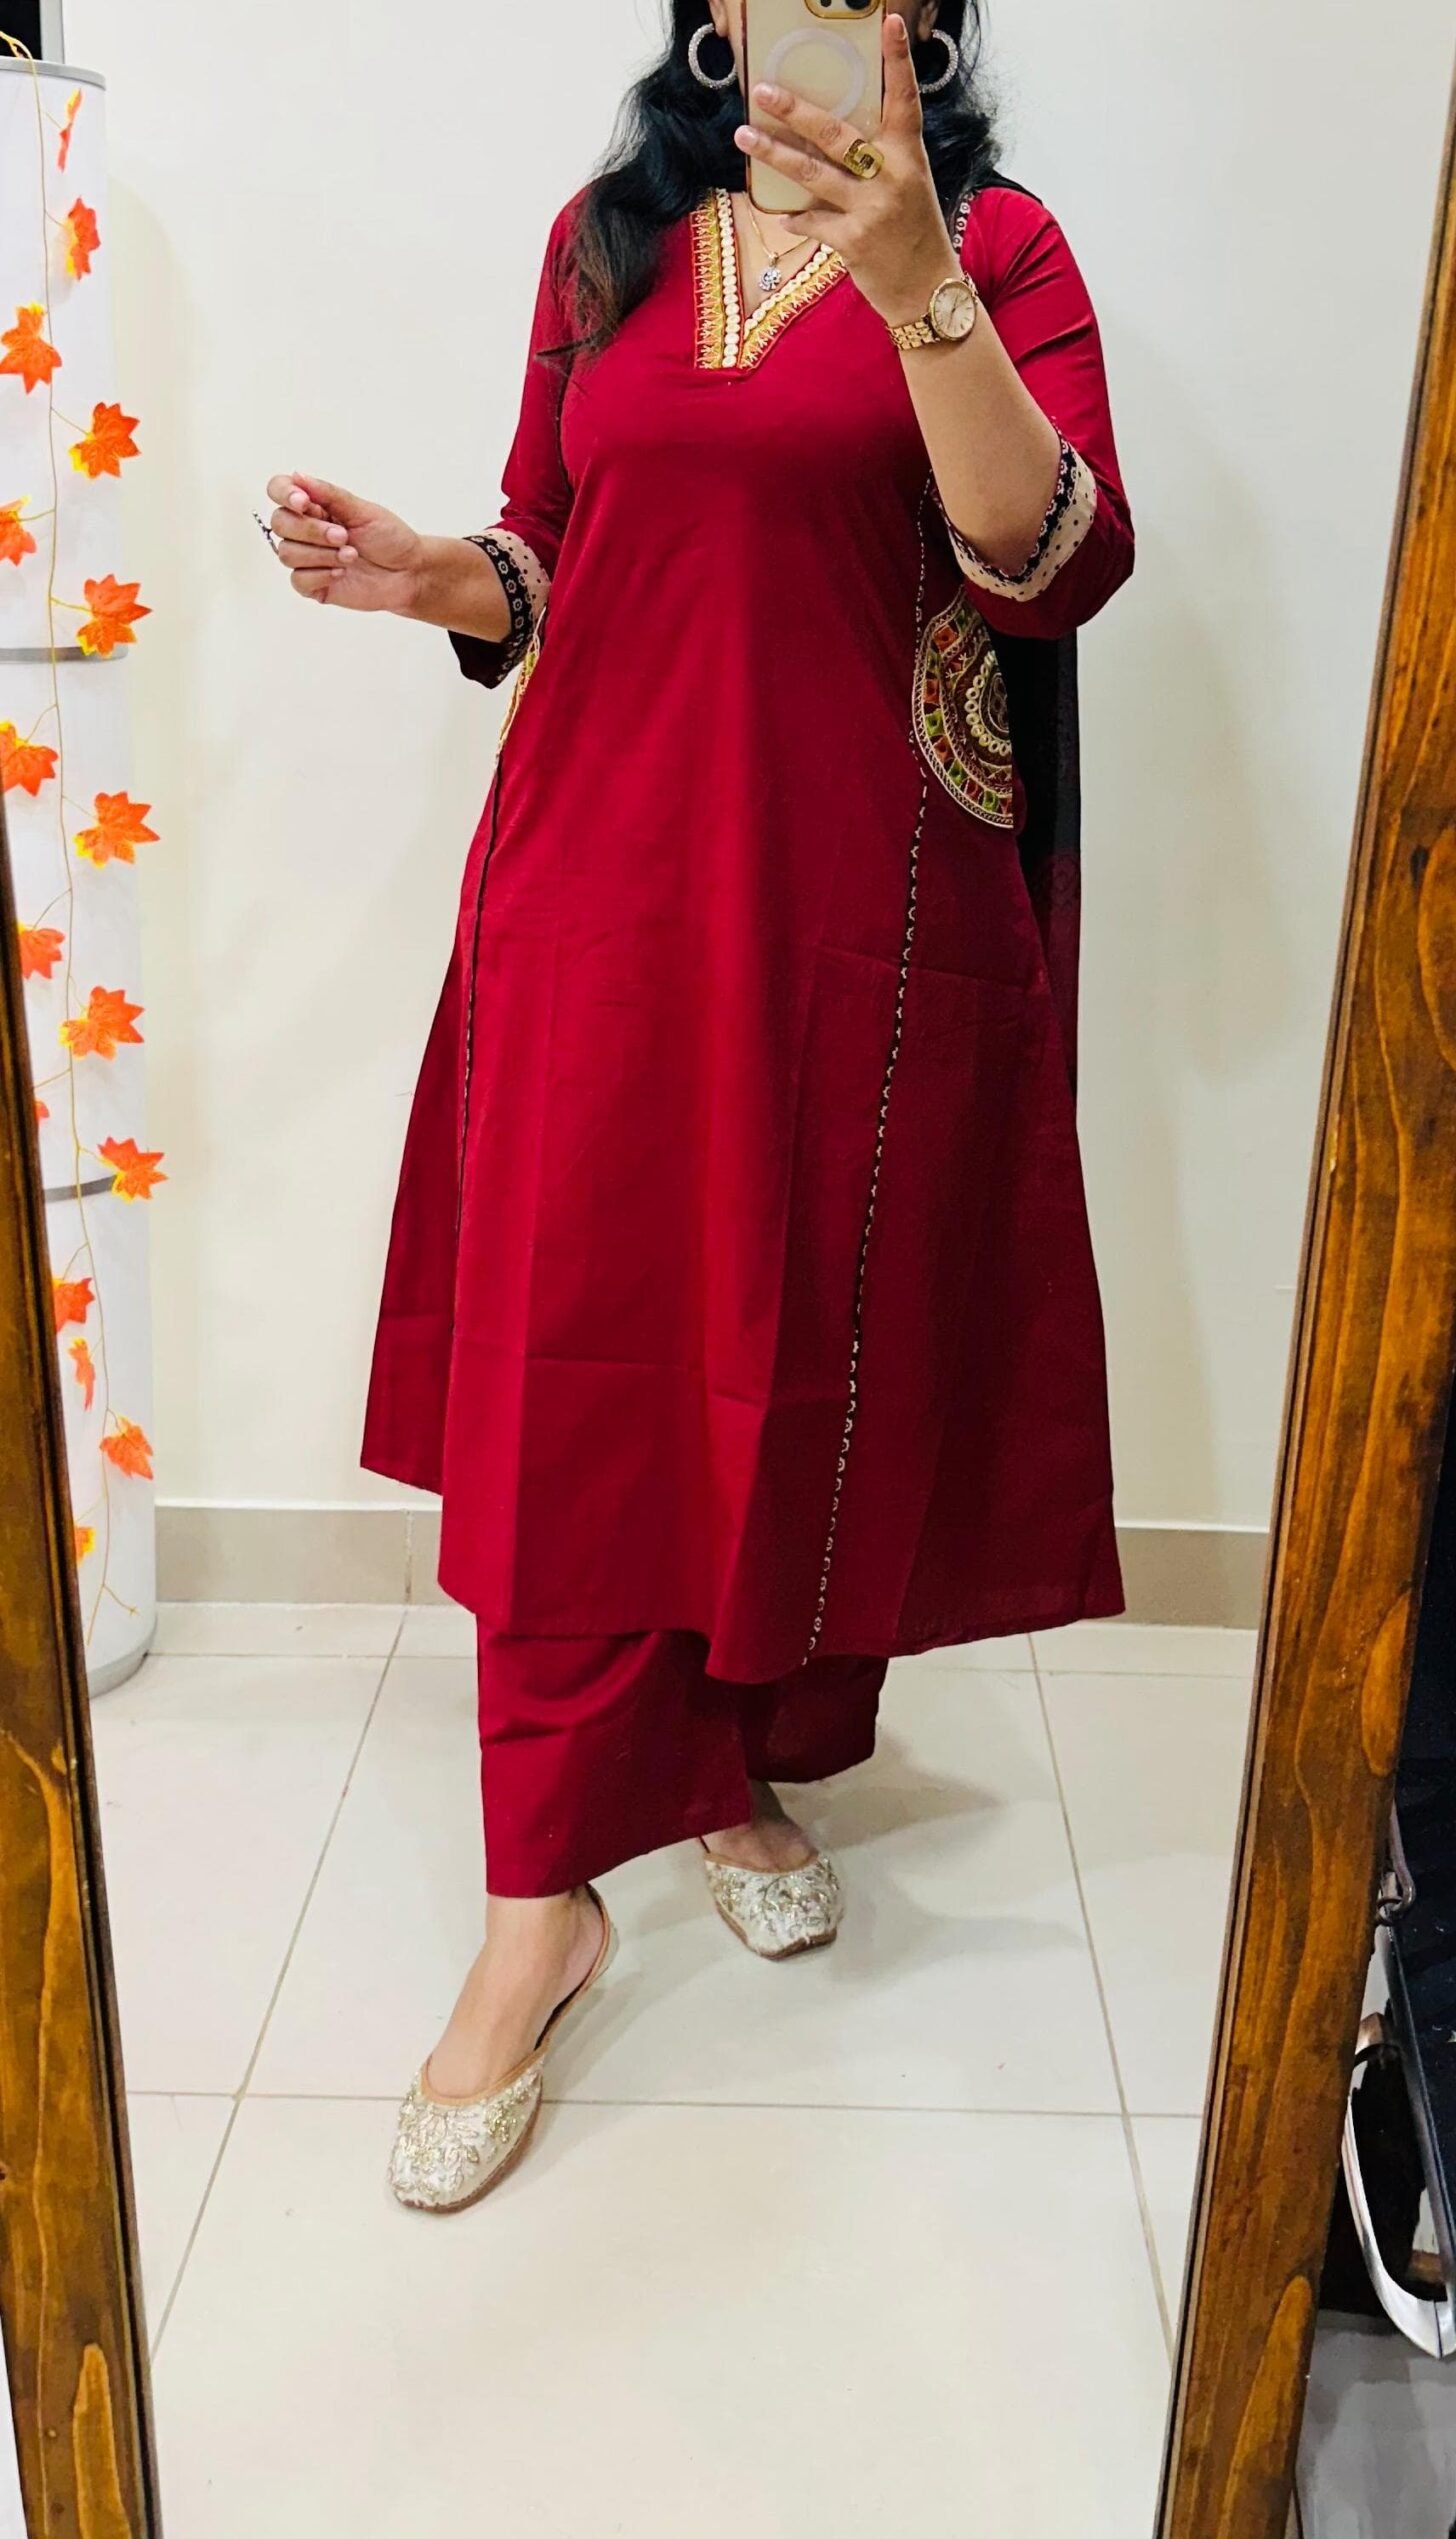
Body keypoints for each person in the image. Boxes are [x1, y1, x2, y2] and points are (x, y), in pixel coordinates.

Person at [261, 0, 1134, 2214]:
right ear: (713, 14)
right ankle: (538, 1901)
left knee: (791, 1348)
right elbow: (544, 546)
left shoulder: (1002, 248)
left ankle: (723, 1765)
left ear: (922, 13)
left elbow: (1046, 558)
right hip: (594, 884)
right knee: (571, 1371)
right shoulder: (607, 242)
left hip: (854, 910)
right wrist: (426, 575)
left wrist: (918, 282)